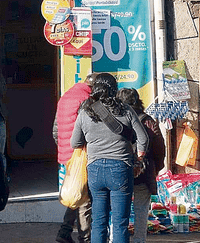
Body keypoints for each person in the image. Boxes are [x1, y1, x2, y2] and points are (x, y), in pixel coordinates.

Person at [71, 73, 149, 243]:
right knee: (120, 223)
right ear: (114, 90)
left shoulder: (85, 112)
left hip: (95, 170)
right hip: (120, 170)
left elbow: (74, 142)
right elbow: (143, 139)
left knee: (99, 221)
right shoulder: (125, 110)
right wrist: (140, 159)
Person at [116, 88, 165, 243]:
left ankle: (116, 238)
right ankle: (138, 240)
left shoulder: (114, 120)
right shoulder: (148, 121)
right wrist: (155, 168)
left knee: (118, 210)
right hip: (143, 171)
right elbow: (159, 148)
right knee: (141, 210)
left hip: (119, 170)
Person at [52, 73, 97, 243]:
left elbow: (55, 129)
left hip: (67, 152)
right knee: (84, 197)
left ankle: (64, 232)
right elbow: (87, 129)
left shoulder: (67, 96)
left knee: (75, 193)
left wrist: (63, 149)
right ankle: (85, 237)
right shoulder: (86, 99)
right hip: (81, 153)